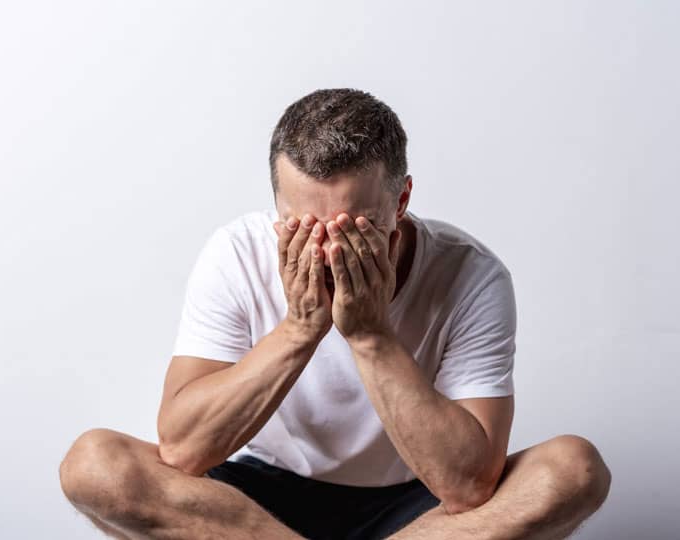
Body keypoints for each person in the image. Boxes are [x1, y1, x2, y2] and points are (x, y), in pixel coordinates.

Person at [59, 88, 611, 539]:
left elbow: (468, 487)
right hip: (259, 501)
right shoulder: (236, 253)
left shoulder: (471, 274)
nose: (325, 251)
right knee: (94, 465)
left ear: (401, 201)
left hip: (418, 507)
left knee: (573, 469)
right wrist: (299, 329)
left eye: (354, 227)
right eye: (300, 226)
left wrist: (371, 336)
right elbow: (183, 450)